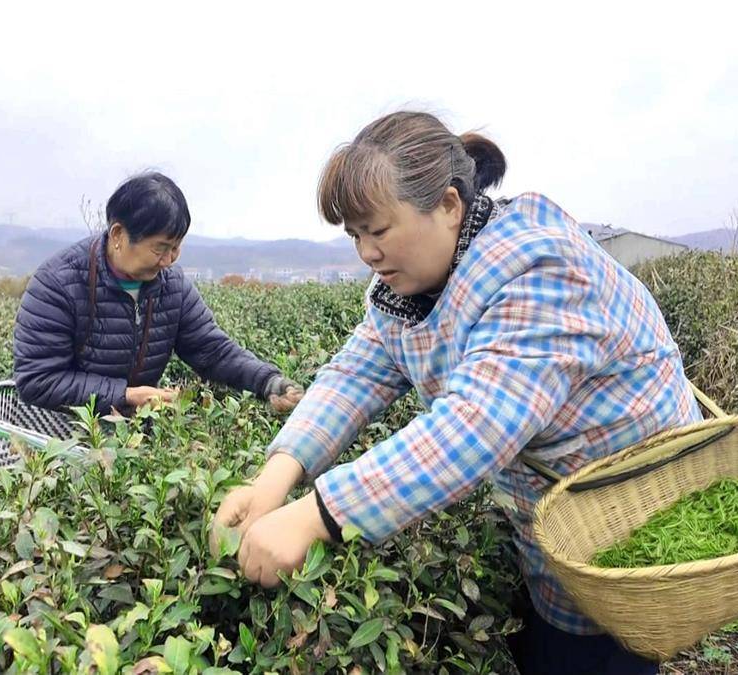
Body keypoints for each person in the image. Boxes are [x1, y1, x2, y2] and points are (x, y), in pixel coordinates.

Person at [212, 112, 701, 675]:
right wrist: (276, 476)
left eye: (378, 230)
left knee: (598, 650)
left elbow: (472, 426)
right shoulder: (410, 284)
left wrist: (316, 516)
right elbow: (356, 373)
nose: (367, 253)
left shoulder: (540, 270)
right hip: (552, 506)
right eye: (355, 235)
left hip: (634, 507)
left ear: (447, 206)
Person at [13, 171, 303, 417]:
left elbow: (212, 351)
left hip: (136, 430)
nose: (169, 260)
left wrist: (268, 381)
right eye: (160, 248)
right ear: (118, 235)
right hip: (64, 434)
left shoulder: (171, 286)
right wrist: (124, 395)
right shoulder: (58, 284)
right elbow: (38, 380)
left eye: (176, 247)